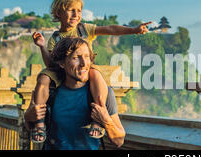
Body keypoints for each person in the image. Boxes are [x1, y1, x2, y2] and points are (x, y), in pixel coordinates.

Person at [31, 0, 150, 142]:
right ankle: (39, 123)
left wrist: (133, 30)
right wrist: (42, 46)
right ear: (58, 13)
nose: (76, 14)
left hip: (87, 68)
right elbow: (51, 63)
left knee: (96, 75)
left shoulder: (84, 29)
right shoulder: (55, 38)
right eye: (71, 10)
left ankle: (98, 118)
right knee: (43, 77)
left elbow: (110, 29)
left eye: (79, 11)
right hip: (61, 70)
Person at [24, 37, 125, 150]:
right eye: (76, 58)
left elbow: (119, 141)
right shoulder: (50, 92)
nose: (84, 64)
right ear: (62, 63)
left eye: (87, 57)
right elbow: (30, 128)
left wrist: (106, 120)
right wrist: (28, 116)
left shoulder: (103, 93)